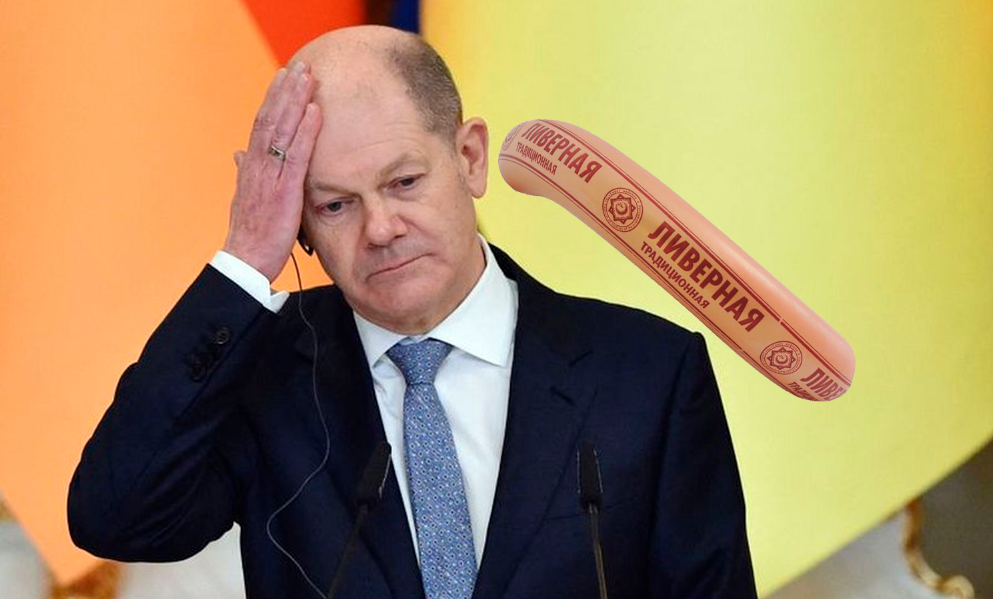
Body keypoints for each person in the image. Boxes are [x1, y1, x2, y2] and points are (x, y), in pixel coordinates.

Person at [68, 24, 758, 599]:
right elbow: (116, 517)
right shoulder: (264, 374)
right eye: (335, 205)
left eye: (403, 182)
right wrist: (246, 256)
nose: (380, 228)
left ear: (469, 157)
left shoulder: (648, 373)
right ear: (299, 224)